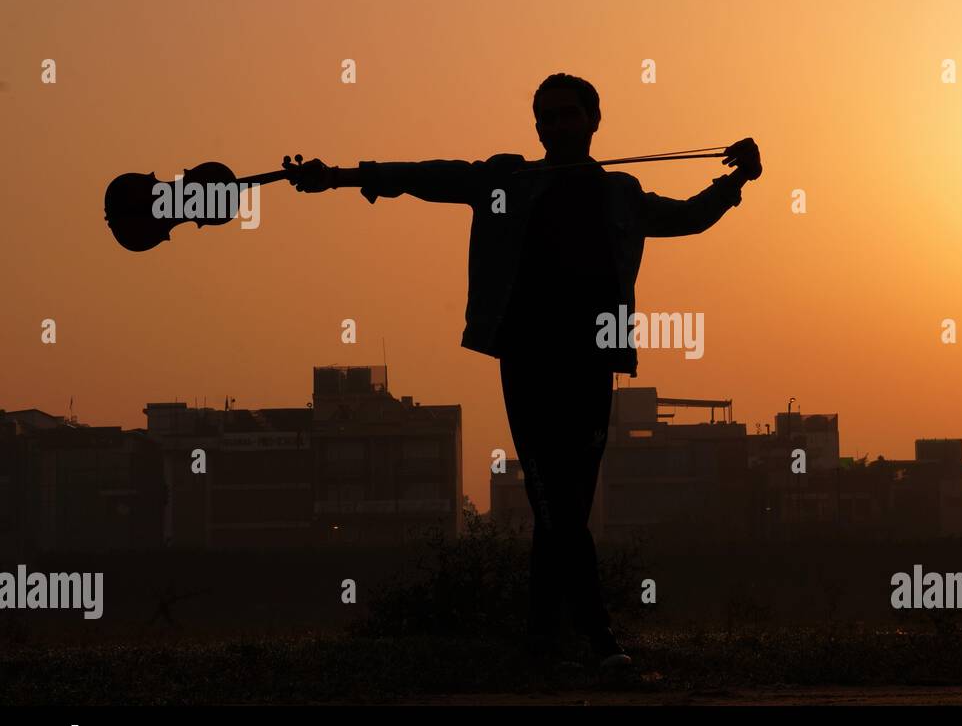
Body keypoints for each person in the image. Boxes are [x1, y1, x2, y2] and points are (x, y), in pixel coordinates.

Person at [289, 73, 761, 670]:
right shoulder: (504, 180)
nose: (557, 125)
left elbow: (690, 217)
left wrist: (737, 179)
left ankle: (542, 641)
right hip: (529, 362)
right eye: (547, 117)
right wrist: (340, 176)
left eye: (568, 115)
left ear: (594, 120)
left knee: (561, 511)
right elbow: (424, 175)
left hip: (591, 367)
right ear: (537, 126)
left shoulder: (620, 193)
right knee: (554, 503)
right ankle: (599, 639)